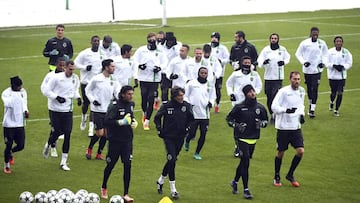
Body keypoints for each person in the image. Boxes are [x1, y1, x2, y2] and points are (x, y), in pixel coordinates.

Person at [227, 84, 268, 199]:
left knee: (244, 162)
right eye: (249, 92)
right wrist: (236, 126)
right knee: (246, 162)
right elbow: (229, 119)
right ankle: (246, 189)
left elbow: (265, 121)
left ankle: (234, 182)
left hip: (253, 138)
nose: (252, 93)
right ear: (245, 94)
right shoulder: (239, 107)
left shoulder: (260, 107)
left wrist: (261, 124)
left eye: (253, 91)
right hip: (241, 138)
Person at [154, 86, 194, 200]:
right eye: (180, 96)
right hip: (169, 137)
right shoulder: (167, 106)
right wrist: (159, 129)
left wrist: (188, 129)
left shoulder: (186, 106)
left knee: (172, 159)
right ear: (174, 96)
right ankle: (173, 189)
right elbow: (157, 118)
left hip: (180, 137)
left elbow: (191, 119)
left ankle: (161, 180)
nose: (182, 98)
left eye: (182, 95)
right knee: (172, 159)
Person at [42, 60, 82, 171]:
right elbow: (46, 90)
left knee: (67, 133)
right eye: (70, 69)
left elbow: (74, 91)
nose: (72, 71)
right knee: (57, 131)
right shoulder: (56, 78)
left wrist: (78, 98)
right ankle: (49, 144)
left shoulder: (75, 78)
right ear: (65, 68)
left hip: (67, 110)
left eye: (73, 69)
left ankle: (63, 162)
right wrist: (56, 97)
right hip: (55, 109)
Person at [101, 86, 137, 202]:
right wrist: (120, 122)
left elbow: (131, 117)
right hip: (115, 141)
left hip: (127, 141)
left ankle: (126, 193)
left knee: (128, 165)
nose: (131, 96)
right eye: (129, 94)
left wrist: (133, 122)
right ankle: (104, 186)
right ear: (123, 94)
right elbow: (107, 121)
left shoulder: (132, 104)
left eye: (132, 94)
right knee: (110, 165)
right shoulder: (114, 105)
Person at [271, 71, 306, 187]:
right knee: (281, 152)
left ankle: (290, 174)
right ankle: (276, 176)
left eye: (298, 79)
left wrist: (302, 115)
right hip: (283, 127)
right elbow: (274, 107)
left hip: (295, 127)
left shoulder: (301, 91)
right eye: (294, 79)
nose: (297, 81)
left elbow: (301, 105)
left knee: (300, 151)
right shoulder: (283, 92)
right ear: (290, 79)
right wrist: (285, 110)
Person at [226, 55, 262, 157]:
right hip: (238, 103)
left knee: (249, 124)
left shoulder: (255, 75)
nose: (247, 65)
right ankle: (237, 147)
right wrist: (231, 94)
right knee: (238, 125)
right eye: (245, 63)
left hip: (250, 105)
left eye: (248, 63)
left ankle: (247, 147)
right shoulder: (236, 74)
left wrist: (254, 94)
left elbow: (259, 86)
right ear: (241, 63)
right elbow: (228, 84)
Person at [85, 59, 121, 160]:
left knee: (106, 133)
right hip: (97, 110)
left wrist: (120, 100)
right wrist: (93, 100)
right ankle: (90, 148)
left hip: (108, 110)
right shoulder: (96, 79)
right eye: (112, 66)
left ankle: (99, 153)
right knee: (100, 133)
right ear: (106, 67)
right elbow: (88, 90)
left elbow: (117, 91)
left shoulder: (113, 79)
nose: (114, 68)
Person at [133, 32, 168, 130]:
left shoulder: (160, 51)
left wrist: (159, 68)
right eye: (150, 40)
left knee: (151, 98)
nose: (152, 42)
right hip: (143, 78)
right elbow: (135, 60)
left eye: (154, 40)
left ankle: (147, 121)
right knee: (144, 97)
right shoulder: (141, 50)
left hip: (154, 79)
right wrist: (140, 65)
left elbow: (165, 62)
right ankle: (144, 113)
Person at [295, 27, 328, 118]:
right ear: (311, 33)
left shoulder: (322, 43)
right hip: (307, 70)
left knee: (315, 88)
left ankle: (312, 109)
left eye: (316, 33)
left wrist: (323, 63)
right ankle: (310, 103)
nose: (315, 35)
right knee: (309, 88)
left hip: (317, 70)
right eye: (313, 33)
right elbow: (298, 54)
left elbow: (326, 54)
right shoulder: (305, 43)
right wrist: (304, 62)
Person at [257, 33, 291, 123]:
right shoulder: (266, 50)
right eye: (272, 38)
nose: (273, 40)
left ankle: (276, 115)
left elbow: (288, 58)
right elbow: (259, 61)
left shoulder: (282, 49)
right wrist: (264, 62)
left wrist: (283, 62)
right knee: (269, 97)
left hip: (278, 78)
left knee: (275, 96)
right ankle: (271, 114)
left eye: (275, 38)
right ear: (270, 39)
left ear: (278, 40)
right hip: (268, 77)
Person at [184, 67, 216, 160]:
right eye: (202, 73)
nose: (203, 74)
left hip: (205, 114)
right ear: (198, 73)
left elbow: (213, 96)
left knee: (203, 134)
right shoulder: (191, 83)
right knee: (192, 132)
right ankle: (187, 140)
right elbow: (185, 95)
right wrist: (188, 104)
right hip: (194, 112)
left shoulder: (210, 85)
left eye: (205, 73)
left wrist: (211, 103)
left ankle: (197, 152)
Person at [75, 35, 103, 136]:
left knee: (93, 104)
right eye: (94, 41)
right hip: (85, 82)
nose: (96, 43)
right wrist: (84, 67)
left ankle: (91, 128)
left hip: (96, 83)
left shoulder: (101, 53)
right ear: (91, 42)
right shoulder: (85, 53)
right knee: (86, 103)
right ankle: (83, 117)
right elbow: (75, 63)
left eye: (97, 41)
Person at [2, 76, 29, 174]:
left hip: (20, 123)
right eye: (18, 87)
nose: (20, 88)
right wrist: (16, 94)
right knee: (8, 144)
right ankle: (6, 166)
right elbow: (8, 104)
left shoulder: (23, 91)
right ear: (13, 86)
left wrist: (26, 111)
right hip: (9, 124)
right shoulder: (6, 93)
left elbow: (24, 102)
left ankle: (10, 153)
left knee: (21, 145)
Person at [40, 57, 66, 158]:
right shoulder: (50, 76)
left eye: (64, 65)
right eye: (61, 65)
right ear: (56, 65)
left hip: (65, 107)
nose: (63, 67)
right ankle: (52, 146)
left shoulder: (67, 75)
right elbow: (43, 89)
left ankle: (50, 143)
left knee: (63, 129)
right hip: (54, 106)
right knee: (56, 128)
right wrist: (55, 97)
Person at [326, 36, 353, 117]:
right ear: (334, 43)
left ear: (342, 43)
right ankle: (331, 102)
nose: (338, 43)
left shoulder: (346, 52)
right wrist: (333, 66)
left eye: (340, 41)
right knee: (333, 92)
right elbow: (326, 62)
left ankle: (336, 110)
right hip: (332, 76)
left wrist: (343, 67)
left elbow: (349, 63)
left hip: (342, 77)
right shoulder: (330, 51)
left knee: (340, 93)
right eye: (337, 41)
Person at [209, 32, 230, 113]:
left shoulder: (223, 48)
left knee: (217, 89)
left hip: (219, 73)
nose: (213, 39)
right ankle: (209, 104)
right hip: (208, 73)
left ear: (218, 39)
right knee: (208, 88)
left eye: (215, 37)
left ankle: (217, 105)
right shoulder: (208, 46)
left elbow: (228, 59)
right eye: (212, 37)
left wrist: (221, 61)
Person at [160, 32, 182, 105]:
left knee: (175, 90)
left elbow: (179, 54)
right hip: (164, 71)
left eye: (172, 41)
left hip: (174, 71)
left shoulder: (178, 45)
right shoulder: (161, 46)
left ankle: (175, 103)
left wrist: (175, 46)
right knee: (164, 89)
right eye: (169, 41)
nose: (170, 43)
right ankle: (165, 104)